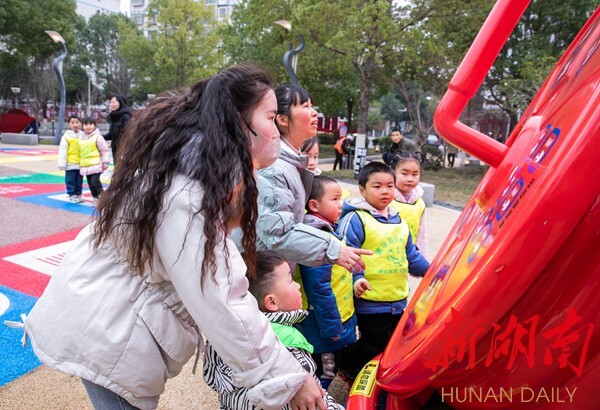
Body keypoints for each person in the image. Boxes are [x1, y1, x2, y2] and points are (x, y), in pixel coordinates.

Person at [16, 64, 326, 410]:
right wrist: (285, 378)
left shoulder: (187, 169)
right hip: (112, 334)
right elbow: (221, 296)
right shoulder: (189, 194)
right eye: (270, 118)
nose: (276, 129)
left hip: (109, 324)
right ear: (239, 123)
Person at [204, 249, 343, 410]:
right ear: (272, 303)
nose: (298, 285)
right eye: (291, 281)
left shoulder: (227, 337)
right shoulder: (286, 349)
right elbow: (314, 401)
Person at [255, 83, 370, 274]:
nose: (315, 113)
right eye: (305, 106)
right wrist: (332, 249)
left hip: (273, 274)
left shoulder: (290, 164)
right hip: (263, 278)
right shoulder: (274, 169)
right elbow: (276, 233)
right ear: (282, 119)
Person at [336, 162, 430, 380]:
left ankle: (374, 378)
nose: (385, 191)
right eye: (377, 186)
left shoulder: (399, 221)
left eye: (389, 186)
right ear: (362, 190)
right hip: (370, 300)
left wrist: (432, 271)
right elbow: (345, 256)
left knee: (392, 344)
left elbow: (411, 255)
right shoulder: (356, 219)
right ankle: (345, 363)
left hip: (397, 298)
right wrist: (357, 280)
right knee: (373, 344)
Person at [296, 175, 357, 390]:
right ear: (314, 205)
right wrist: (332, 328)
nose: (341, 204)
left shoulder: (328, 228)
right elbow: (318, 289)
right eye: (335, 199)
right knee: (324, 371)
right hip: (325, 325)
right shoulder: (317, 238)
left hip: (336, 316)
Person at [390, 153, 428, 258]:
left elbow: (421, 233)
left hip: (409, 254)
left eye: (414, 174)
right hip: (386, 253)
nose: (410, 179)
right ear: (393, 173)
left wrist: (421, 257)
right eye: (404, 174)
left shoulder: (419, 203)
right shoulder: (386, 199)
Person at [79, 117, 110, 206]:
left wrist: (105, 162)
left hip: (96, 164)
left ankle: (102, 197)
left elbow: (105, 150)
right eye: (86, 124)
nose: (88, 126)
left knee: (95, 181)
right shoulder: (81, 138)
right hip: (85, 165)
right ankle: (95, 197)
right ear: (83, 126)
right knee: (90, 184)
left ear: (94, 126)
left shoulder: (98, 137)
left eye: (90, 124)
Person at [57, 115, 84, 203]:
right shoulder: (66, 136)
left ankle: (78, 194)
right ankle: (72, 194)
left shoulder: (83, 135)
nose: (75, 124)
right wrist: (62, 163)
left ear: (80, 123)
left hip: (81, 163)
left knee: (79, 180)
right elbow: (63, 150)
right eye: (72, 123)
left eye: (77, 122)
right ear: (69, 124)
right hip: (70, 163)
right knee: (70, 180)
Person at [105, 94, 132, 165]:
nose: (112, 104)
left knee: (123, 170)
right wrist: (98, 136)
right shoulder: (113, 117)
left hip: (123, 150)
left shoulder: (126, 117)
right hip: (115, 148)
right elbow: (111, 134)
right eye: (110, 102)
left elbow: (129, 134)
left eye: (114, 102)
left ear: (121, 103)